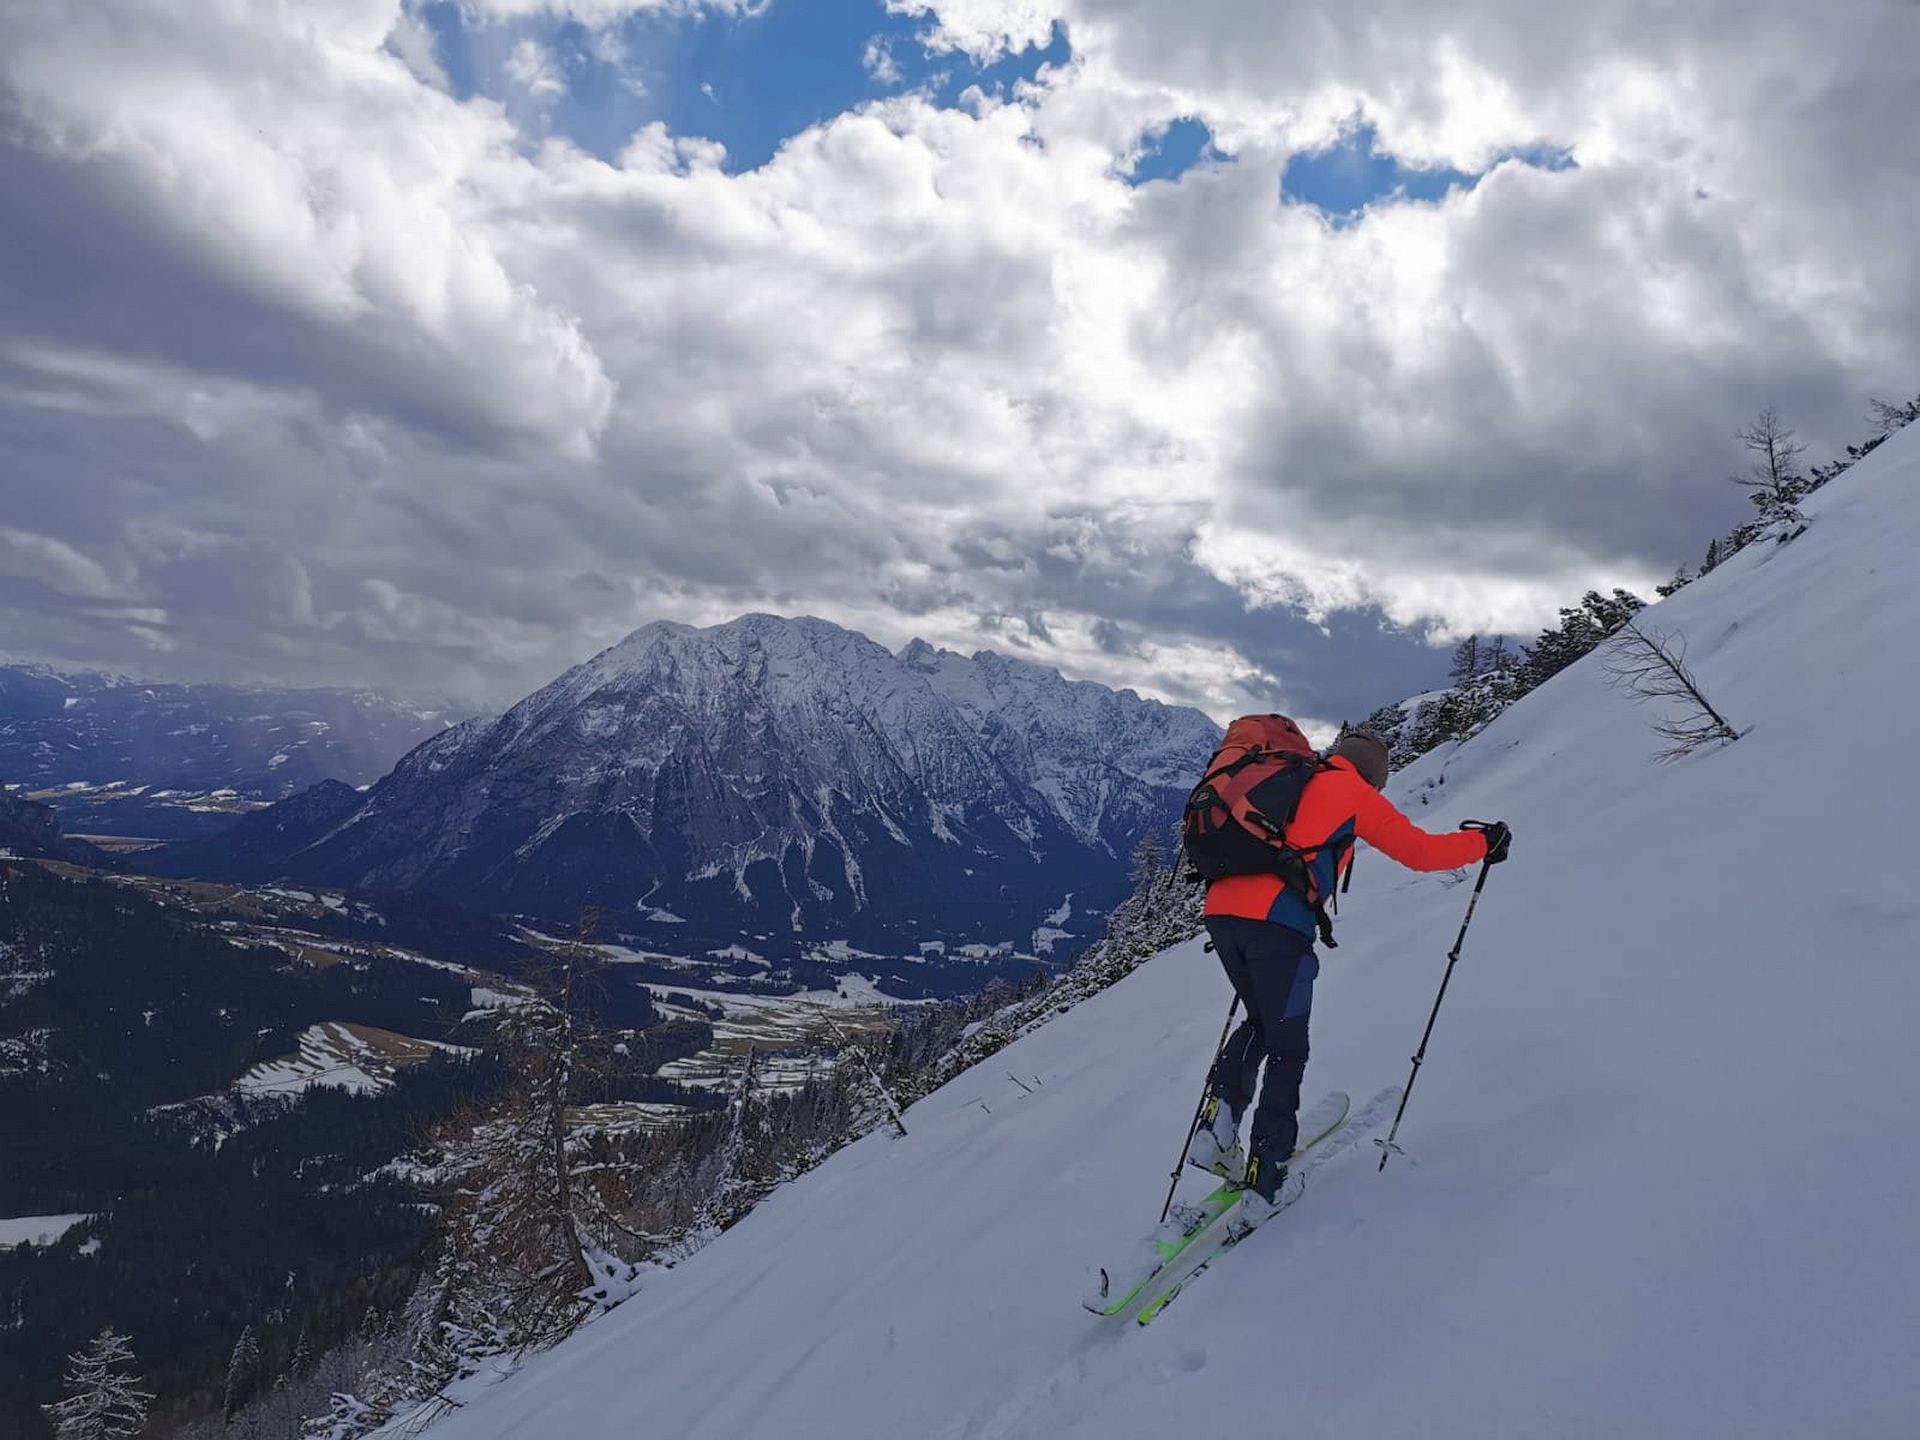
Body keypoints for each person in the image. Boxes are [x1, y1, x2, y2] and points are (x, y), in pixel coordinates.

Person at [1184, 728, 1511, 1220]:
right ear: (1374, 777)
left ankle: (1216, 1130)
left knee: (1262, 1023)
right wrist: (1483, 842)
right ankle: (1267, 1175)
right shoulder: (1354, 793)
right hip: (1278, 925)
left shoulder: (1299, 776)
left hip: (1223, 912)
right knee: (1288, 1046)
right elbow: (1421, 852)